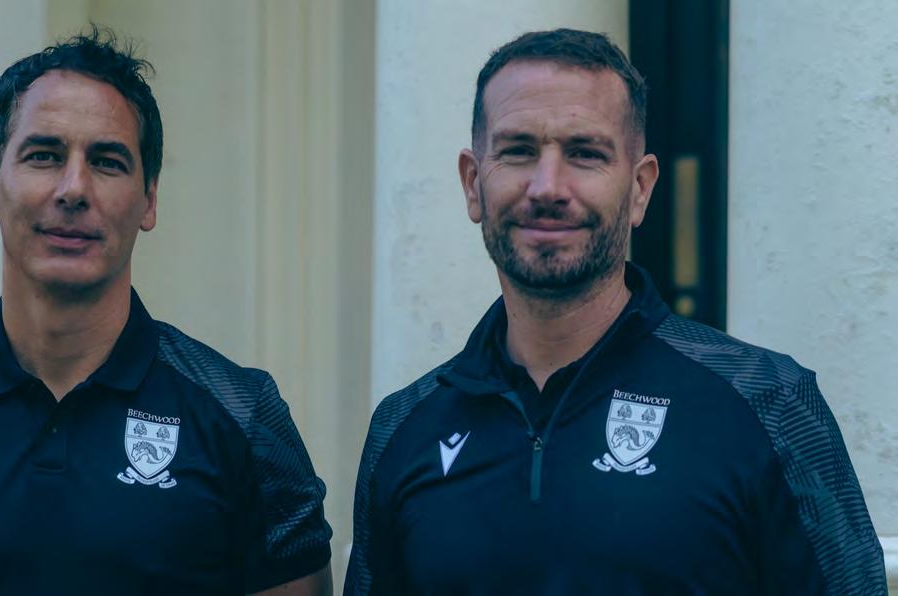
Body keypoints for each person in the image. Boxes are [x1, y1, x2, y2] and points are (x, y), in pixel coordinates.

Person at [346, 28, 885, 595]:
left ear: (640, 189)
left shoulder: (770, 402)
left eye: (585, 153)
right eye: (518, 151)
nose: (547, 187)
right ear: (473, 183)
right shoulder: (405, 428)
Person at [0, 29, 332, 595]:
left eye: (107, 162)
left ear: (149, 198)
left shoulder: (245, 418)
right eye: (44, 156)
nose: (74, 188)